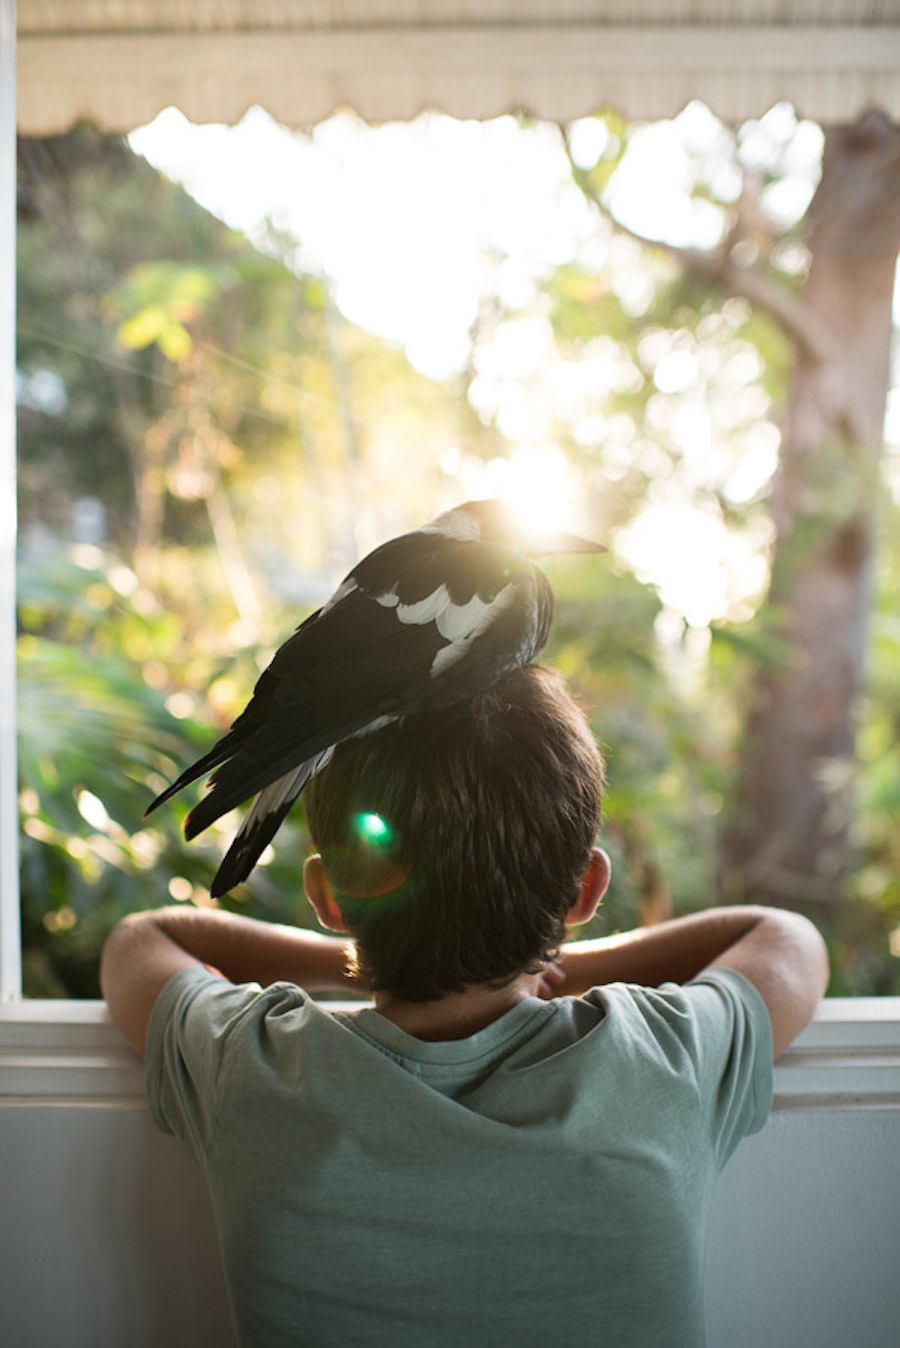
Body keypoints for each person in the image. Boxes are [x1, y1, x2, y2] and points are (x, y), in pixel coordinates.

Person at [102, 663, 828, 1348]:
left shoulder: (253, 1067)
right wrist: (541, 955)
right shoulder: (664, 1060)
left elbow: (141, 944)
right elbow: (787, 942)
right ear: (586, 891)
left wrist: (372, 951)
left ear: (327, 898)